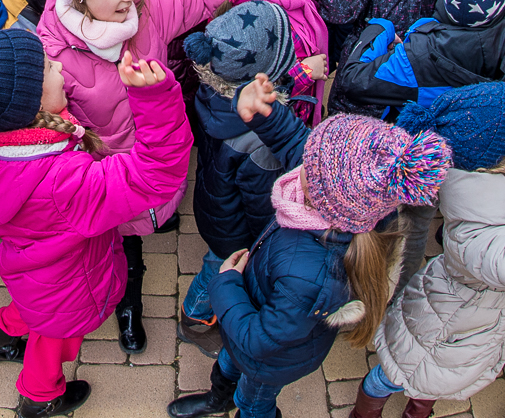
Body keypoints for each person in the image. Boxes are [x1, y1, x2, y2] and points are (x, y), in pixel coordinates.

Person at [0, 30, 192, 418]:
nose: (58, 66)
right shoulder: (62, 182)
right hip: (71, 281)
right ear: (30, 105)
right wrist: (155, 98)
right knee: (52, 337)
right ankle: (40, 399)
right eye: (48, 69)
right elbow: (156, 175)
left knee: (32, 304)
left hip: (30, 266)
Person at [35, 0, 244, 354]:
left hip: (157, 166)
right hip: (108, 181)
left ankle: (157, 217)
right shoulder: (52, 52)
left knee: (155, 214)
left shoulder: (148, 9)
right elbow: (51, 132)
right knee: (121, 246)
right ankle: (127, 301)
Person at [170, 113, 450, 418]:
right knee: (228, 361)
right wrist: (264, 113)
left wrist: (225, 284)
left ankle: (237, 405)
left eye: (310, 162)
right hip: (248, 316)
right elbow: (294, 142)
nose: (302, 161)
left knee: (253, 402)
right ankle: (219, 398)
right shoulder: (351, 205)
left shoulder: (311, 276)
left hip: (268, 361)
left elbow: (259, 341)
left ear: (322, 193)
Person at [355, 84, 505, 418]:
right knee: (395, 376)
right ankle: (365, 411)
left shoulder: (489, 176)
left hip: (464, 320)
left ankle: (416, 411)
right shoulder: (476, 228)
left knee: (429, 381)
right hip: (447, 329)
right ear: (497, 157)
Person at [175, 2, 310, 357]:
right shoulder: (259, 141)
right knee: (216, 268)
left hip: (217, 205)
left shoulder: (215, 91)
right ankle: (195, 317)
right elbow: (260, 203)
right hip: (236, 231)